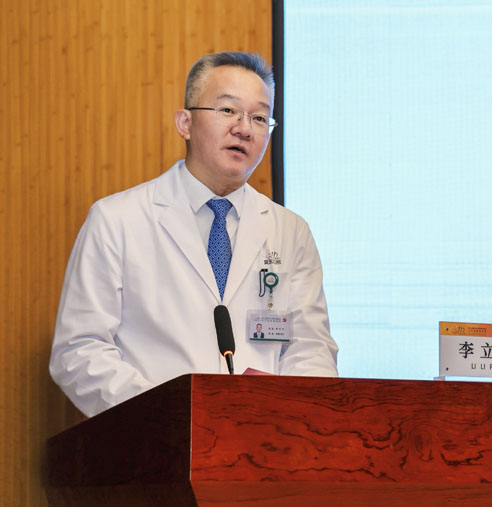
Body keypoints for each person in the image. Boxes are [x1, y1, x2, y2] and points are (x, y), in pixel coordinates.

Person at [49, 52, 338, 417]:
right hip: (155, 437)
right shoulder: (116, 220)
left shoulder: (291, 232)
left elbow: (310, 349)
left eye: (259, 118)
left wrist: (290, 417)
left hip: (262, 440)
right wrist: (171, 413)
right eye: (228, 110)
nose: (244, 129)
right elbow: (78, 351)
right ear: (185, 123)